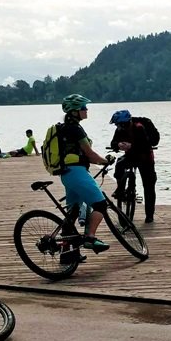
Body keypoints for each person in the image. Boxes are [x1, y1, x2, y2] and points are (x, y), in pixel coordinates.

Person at [58, 94, 115, 259]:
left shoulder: (63, 127)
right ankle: (90, 237)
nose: (86, 110)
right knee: (101, 205)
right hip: (77, 173)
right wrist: (106, 160)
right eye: (83, 107)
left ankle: (67, 254)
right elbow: (90, 154)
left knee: (73, 212)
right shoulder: (75, 129)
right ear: (75, 111)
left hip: (67, 173)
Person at [108, 109, 157, 223]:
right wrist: (118, 144)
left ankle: (149, 215)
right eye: (118, 125)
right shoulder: (120, 130)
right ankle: (120, 188)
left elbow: (146, 144)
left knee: (149, 185)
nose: (120, 127)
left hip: (145, 158)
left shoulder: (139, 127)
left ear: (127, 122)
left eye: (121, 125)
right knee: (119, 164)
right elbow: (113, 142)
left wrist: (131, 146)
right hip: (131, 156)